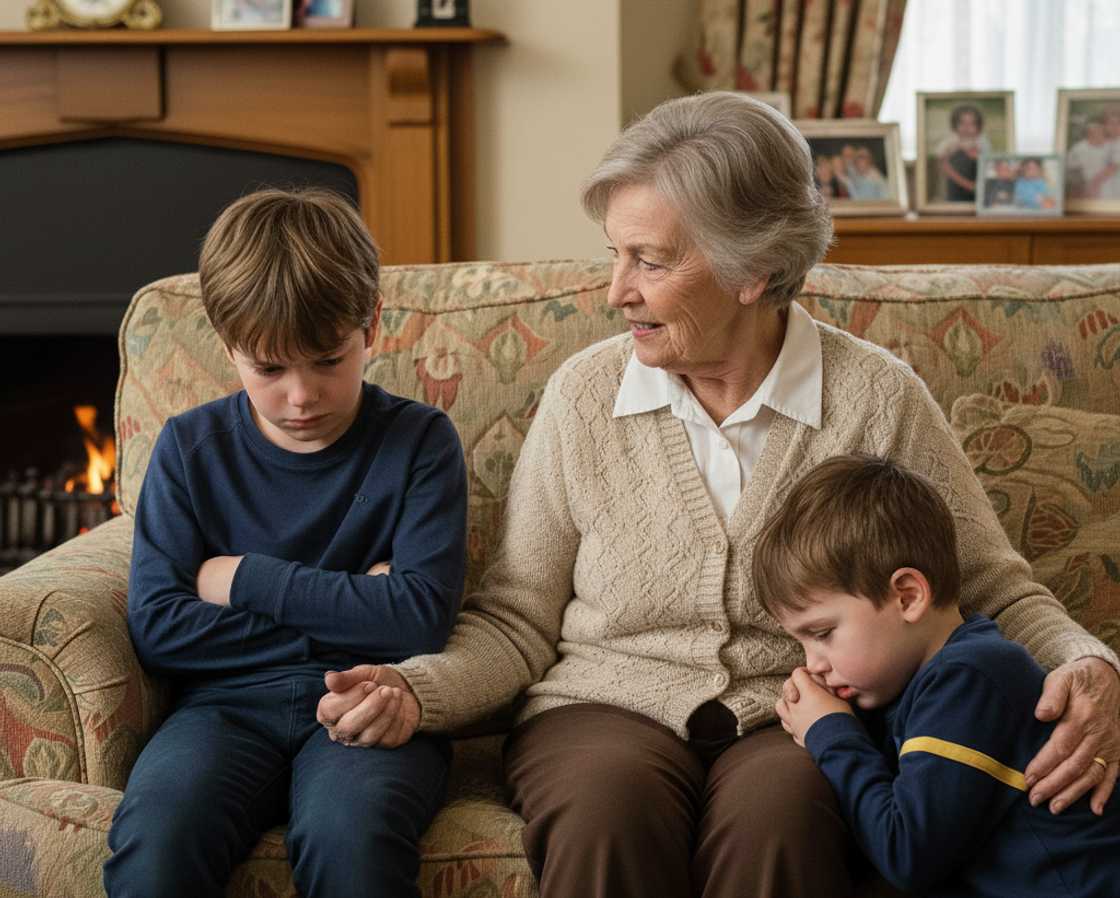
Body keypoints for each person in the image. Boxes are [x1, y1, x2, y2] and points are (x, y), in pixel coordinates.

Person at [318, 92, 1120, 898]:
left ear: (754, 269)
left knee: (785, 817)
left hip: (795, 714)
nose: (615, 292)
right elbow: (519, 617)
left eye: (650, 261)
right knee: (605, 812)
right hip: (601, 705)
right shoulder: (585, 396)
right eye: (615, 254)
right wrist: (417, 687)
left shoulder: (878, 399)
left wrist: (1090, 665)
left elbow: (988, 587)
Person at [103, 188, 468, 898]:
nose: (300, 396)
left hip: (372, 701)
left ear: (373, 326)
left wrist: (242, 579)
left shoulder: (421, 442)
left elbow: (421, 618)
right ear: (226, 342)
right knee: (158, 840)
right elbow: (158, 628)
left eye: (327, 361)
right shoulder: (189, 447)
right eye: (268, 369)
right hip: (222, 711)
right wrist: (361, 602)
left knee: (351, 840)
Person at [761, 454, 1120, 897]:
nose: (812, 663)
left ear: (908, 596)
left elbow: (906, 854)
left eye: (823, 633)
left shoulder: (970, 678)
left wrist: (829, 731)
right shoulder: (919, 681)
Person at [935, 104, 991, 203]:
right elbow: (940, 156)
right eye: (962, 123)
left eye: (972, 124)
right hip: (955, 188)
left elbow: (986, 160)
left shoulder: (981, 141)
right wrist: (957, 148)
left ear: (979, 127)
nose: (967, 128)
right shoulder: (951, 140)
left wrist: (975, 155)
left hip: (975, 185)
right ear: (955, 126)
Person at [1066, 116, 1115, 199]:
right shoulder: (1079, 148)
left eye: (1100, 130)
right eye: (1094, 131)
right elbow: (1069, 168)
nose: (1097, 133)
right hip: (1087, 190)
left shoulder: (1112, 146)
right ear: (1088, 133)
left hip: (1111, 189)